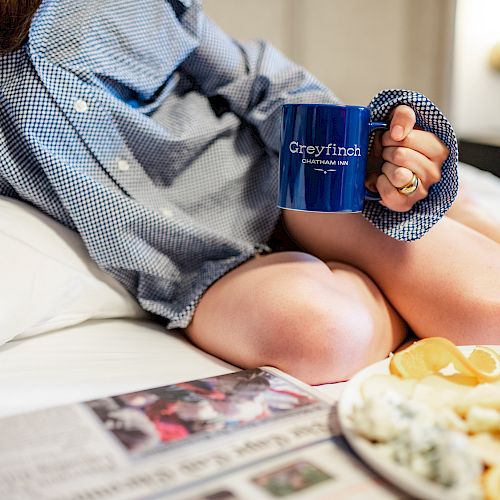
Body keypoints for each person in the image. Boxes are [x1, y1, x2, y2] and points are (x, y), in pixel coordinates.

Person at [1, 0, 499, 386]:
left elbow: (256, 78)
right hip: (189, 270)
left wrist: (359, 149)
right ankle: (408, 256)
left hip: (280, 189)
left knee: (489, 313)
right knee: (322, 335)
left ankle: (440, 223)